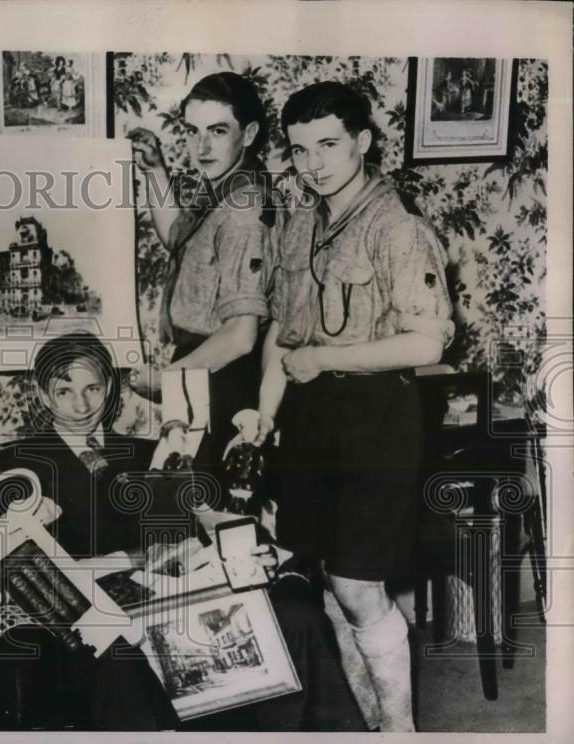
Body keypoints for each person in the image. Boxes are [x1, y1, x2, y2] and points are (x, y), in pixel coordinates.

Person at [246, 81, 454, 732]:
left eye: (329, 145)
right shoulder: (302, 221)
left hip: (377, 422)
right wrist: (262, 414)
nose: (313, 164)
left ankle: (400, 731)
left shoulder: (399, 228)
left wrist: (327, 361)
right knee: (334, 585)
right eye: (301, 149)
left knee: (361, 587)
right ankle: (365, 725)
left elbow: (428, 339)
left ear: (363, 142)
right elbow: (283, 334)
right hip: (311, 421)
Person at [0, 331, 180, 730]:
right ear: (43, 395)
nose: (82, 405)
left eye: (93, 388)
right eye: (65, 391)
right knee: (119, 656)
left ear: (109, 387)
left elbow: (188, 538)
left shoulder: (151, 455)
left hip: (161, 599)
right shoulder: (11, 470)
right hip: (74, 629)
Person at [129, 72, 278, 467]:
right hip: (202, 363)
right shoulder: (223, 185)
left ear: (248, 134)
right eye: (193, 132)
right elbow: (177, 237)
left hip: (223, 371)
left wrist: (166, 378)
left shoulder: (243, 210)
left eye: (217, 131)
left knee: (208, 505)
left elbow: (241, 337)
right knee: (189, 495)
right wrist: (155, 171)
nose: (202, 146)